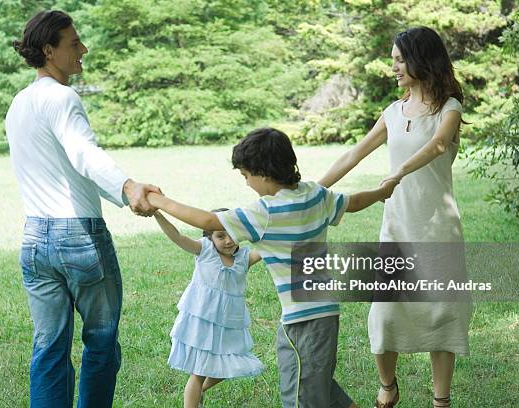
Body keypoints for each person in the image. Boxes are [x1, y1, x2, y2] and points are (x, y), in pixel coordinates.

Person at [144, 127, 399, 408]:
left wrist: (158, 201)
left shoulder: (264, 212)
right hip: (322, 313)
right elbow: (354, 202)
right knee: (317, 381)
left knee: (302, 394)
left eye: (246, 176)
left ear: (263, 174)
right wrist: (380, 192)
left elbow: (207, 222)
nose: (246, 183)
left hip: (303, 319)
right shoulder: (315, 194)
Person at [5, 10, 159, 408]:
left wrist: (121, 194)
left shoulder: (18, 105)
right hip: (79, 238)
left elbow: (70, 167)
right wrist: (127, 187)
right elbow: (84, 154)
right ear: (48, 51)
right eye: (74, 43)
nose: (83, 49)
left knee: (49, 348)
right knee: (102, 344)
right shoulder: (63, 97)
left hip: (35, 241)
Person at [319, 26, 472, 408]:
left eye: (400, 60)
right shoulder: (392, 112)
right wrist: (312, 191)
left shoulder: (449, 108)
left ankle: (441, 400)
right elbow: (353, 154)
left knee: (442, 312)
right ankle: (388, 385)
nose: (394, 68)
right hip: (397, 226)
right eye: (393, 61)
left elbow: (438, 144)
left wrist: (399, 171)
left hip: (438, 227)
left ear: (421, 60)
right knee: (385, 313)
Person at [154, 210, 264, 408]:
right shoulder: (204, 251)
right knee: (199, 372)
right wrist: (157, 214)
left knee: (230, 364)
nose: (228, 241)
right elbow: (177, 236)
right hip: (203, 323)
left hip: (228, 326)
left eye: (232, 234)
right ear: (209, 237)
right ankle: (194, 397)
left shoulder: (244, 258)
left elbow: (270, 247)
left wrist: (288, 223)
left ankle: (200, 392)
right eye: (220, 236)